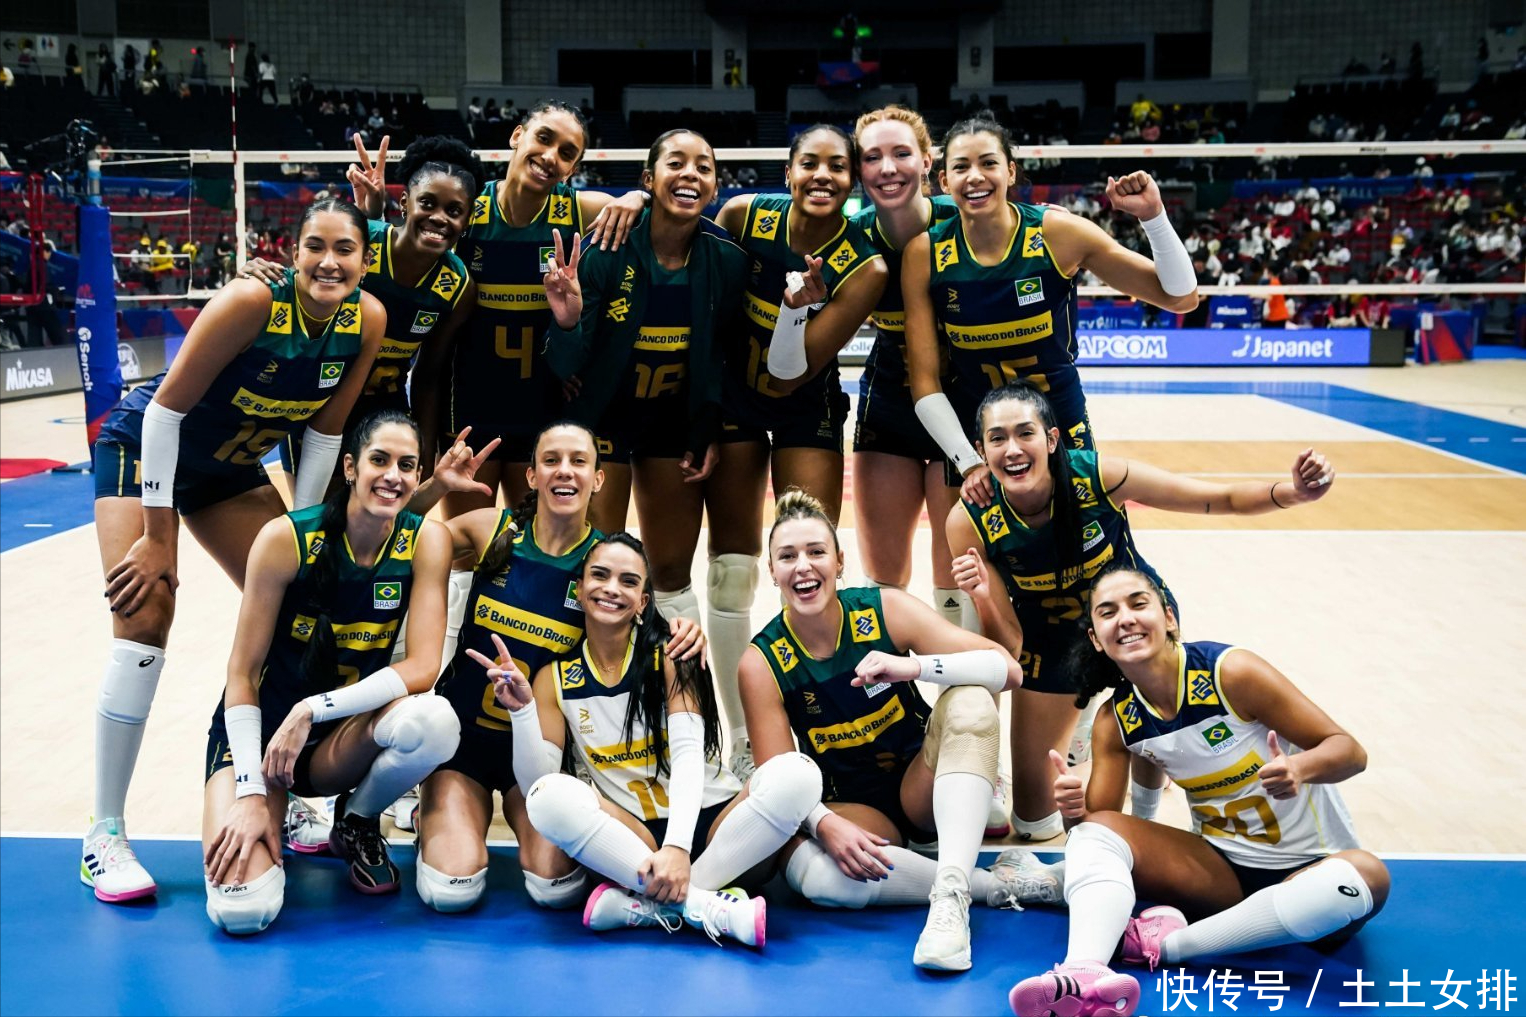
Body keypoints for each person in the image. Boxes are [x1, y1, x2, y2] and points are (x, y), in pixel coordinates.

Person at [84, 198, 385, 903]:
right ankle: (104, 833)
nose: (329, 261)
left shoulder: (366, 320)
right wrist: (159, 537)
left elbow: (323, 436)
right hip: (145, 450)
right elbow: (164, 414)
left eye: (345, 249)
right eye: (315, 246)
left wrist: (307, 534)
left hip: (228, 471)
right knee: (145, 615)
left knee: (303, 601)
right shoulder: (252, 301)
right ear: (293, 251)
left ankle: (279, 777)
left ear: (365, 260)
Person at [948, 382, 1334, 846]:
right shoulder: (968, 520)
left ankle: (1146, 814)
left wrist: (1294, 492)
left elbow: (1218, 498)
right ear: (981, 451)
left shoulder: (1100, 476)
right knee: (1032, 823)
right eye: (998, 438)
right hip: (1049, 640)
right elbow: (1008, 646)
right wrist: (983, 596)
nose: (1012, 449)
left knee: (1148, 720)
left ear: (1051, 440)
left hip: (1128, 620)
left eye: (1025, 433)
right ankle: (1091, 723)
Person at [1007, 564, 1388, 1017]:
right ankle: (1083, 972)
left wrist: (1300, 768)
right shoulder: (1117, 719)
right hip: (1220, 872)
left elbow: (1350, 751)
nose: (1125, 618)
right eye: (1108, 612)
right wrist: (1073, 812)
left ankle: (1168, 947)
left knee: (1367, 876)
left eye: (1138, 604)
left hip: (1313, 868)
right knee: (1097, 829)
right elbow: (1096, 832)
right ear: (1096, 638)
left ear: (1168, 616)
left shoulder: (1232, 673)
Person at [740, 490, 1063, 972]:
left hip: (922, 787)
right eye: (787, 556)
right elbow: (777, 785)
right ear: (772, 571)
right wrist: (823, 823)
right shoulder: (761, 661)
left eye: (816, 551)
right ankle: (997, 884)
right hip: (854, 810)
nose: (803, 567)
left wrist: (913, 667)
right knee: (817, 878)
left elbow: (1007, 670)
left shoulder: (885, 609)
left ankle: (951, 902)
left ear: (839, 561)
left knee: (972, 700)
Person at [404, 420, 707, 914]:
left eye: (578, 461)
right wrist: (435, 488)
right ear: (532, 476)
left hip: (542, 755)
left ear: (598, 478)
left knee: (556, 888)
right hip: (460, 743)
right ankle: (434, 812)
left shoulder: (602, 566)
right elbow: (390, 536)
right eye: (551, 461)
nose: (565, 471)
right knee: (450, 890)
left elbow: (647, 628)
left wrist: (685, 630)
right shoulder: (491, 530)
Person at [372, 101, 646, 626]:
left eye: (568, 152)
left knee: (537, 555)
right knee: (464, 559)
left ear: (575, 167)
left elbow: (654, 210)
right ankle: (450, 662)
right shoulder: (467, 208)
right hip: (468, 410)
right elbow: (407, 238)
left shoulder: (578, 210)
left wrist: (637, 196)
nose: (551, 156)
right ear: (517, 136)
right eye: (544, 138)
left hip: (540, 412)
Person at [485, 532, 823, 945]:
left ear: (643, 601)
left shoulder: (672, 652)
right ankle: (701, 905)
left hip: (720, 831)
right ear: (579, 589)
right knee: (547, 797)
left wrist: (678, 847)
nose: (612, 588)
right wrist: (521, 712)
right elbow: (536, 783)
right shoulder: (553, 678)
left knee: (798, 773)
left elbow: (687, 755)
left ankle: (653, 905)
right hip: (631, 842)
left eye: (628, 581)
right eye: (600, 575)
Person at [201, 411, 458, 933]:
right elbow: (242, 673)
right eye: (379, 460)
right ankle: (268, 807)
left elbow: (423, 668)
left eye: (407, 465)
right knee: (242, 909)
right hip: (262, 744)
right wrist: (250, 792)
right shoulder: (285, 539)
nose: (393, 475)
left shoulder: (426, 541)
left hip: (339, 741)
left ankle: (356, 819)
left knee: (434, 722)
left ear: (418, 476)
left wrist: (312, 710)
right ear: (350, 467)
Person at [706, 125, 888, 772]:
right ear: (788, 172)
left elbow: (792, 373)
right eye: (809, 162)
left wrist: (793, 310)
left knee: (809, 562)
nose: (822, 175)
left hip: (805, 398)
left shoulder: (865, 264)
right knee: (732, 571)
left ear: (853, 181)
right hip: (732, 397)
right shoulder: (742, 216)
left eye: (837, 166)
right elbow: (701, 305)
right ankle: (741, 735)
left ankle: (815, 721)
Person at [903, 116, 1199, 503]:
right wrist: (968, 462)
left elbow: (1182, 298)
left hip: (1059, 422)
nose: (975, 176)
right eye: (961, 167)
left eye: (989, 163)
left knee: (1083, 536)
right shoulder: (924, 253)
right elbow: (925, 381)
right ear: (944, 181)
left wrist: (1153, 217)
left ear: (1010, 172)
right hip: (973, 436)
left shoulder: (1057, 233)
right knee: (961, 544)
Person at [540, 129, 746, 658]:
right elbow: (564, 364)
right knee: (595, 565)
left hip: (671, 424)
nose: (690, 173)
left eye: (704, 167)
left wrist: (707, 424)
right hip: (603, 419)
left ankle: (682, 696)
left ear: (715, 186)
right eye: (676, 163)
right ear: (649, 179)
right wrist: (566, 323)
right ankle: (582, 690)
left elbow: (721, 354)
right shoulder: (605, 249)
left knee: (671, 574)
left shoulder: (726, 259)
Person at [245, 135, 480, 479]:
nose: (439, 217)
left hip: (384, 411)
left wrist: (426, 464)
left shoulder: (458, 287)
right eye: (428, 203)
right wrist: (256, 275)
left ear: (468, 219)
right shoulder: (359, 241)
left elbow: (428, 377)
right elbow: (303, 282)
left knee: (387, 506)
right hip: (317, 401)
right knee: (319, 508)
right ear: (405, 202)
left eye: (454, 211)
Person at [847, 106, 964, 624]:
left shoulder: (965, 218)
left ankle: (959, 675)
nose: (888, 168)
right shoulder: (848, 236)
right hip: (890, 401)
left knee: (955, 573)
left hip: (961, 405)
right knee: (883, 576)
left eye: (901, 153)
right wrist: (640, 197)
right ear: (859, 169)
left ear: (927, 160)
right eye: (873, 157)